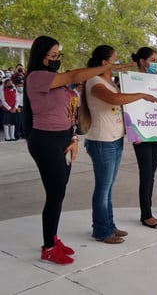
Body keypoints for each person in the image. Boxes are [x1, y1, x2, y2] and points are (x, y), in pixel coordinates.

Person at [24, 36, 133, 265]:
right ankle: (49, 247)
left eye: (58, 55)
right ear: (39, 56)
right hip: (45, 141)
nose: (55, 59)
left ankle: (53, 237)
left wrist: (73, 137)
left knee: (59, 192)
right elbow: (74, 76)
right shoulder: (36, 77)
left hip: (63, 139)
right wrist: (107, 67)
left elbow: (70, 110)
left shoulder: (56, 80)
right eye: (51, 56)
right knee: (54, 195)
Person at [84, 45, 157, 242]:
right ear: (104, 63)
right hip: (102, 140)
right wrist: (142, 95)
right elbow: (115, 99)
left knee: (108, 187)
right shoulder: (94, 81)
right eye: (114, 59)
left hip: (114, 139)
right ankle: (101, 229)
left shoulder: (109, 82)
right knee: (103, 187)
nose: (118, 63)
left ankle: (108, 224)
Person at [130, 47, 157, 228]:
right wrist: (132, 131)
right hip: (141, 134)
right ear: (142, 62)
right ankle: (146, 214)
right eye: (152, 60)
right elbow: (127, 106)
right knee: (146, 174)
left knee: (151, 173)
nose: (155, 64)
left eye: (156, 60)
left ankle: (148, 212)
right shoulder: (130, 81)